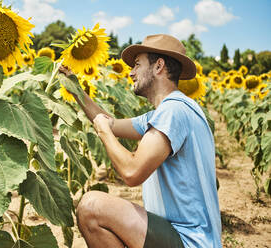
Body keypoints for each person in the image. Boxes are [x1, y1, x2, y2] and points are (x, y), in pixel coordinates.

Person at [60, 34, 222, 248]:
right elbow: (112, 123)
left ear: (159, 67)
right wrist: (77, 89)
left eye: (137, 65)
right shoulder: (170, 111)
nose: (131, 72)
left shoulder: (172, 111)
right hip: (186, 236)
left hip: (189, 241)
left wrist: (103, 133)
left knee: (91, 206)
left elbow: (131, 172)